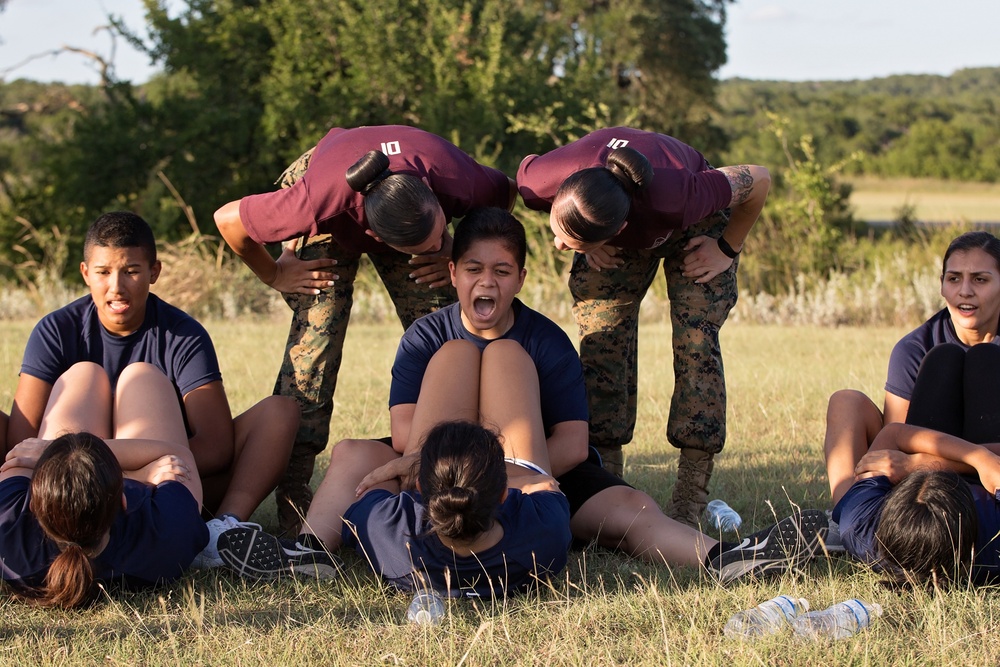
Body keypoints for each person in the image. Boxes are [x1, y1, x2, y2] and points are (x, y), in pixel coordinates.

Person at [216, 208, 826, 586]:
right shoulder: (427, 337)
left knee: (632, 510)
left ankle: (727, 556)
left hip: (530, 466)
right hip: (437, 464)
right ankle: (309, 553)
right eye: (474, 268)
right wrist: (457, 473)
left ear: (520, 279)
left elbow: (572, 443)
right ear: (452, 273)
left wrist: (504, 477)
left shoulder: (544, 341)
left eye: (502, 271)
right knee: (353, 453)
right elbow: (405, 438)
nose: (487, 281)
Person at [213, 125, 516, 532]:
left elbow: (506, 194)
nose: (438, 241)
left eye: (440, 227)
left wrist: (450, 248)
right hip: (329, 196)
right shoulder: (314, 202)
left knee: (447, 325)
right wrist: (274, 275)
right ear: (377, 239)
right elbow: (229, 220)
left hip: (406, 203)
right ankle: (294, 493)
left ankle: (464, 469)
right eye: (424, 245)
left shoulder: (455, 177)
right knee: (315, 341)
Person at [5, 211, 297, 569]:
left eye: (131, 271)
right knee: (85, 376)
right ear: (85, 273)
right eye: (103, 272)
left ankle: (223, 528)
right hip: (71, 485)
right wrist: (109, 473)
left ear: (154, 272)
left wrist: (121, 470)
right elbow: (22, 441)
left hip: (159, 478)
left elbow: (217, 447)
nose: (116, 286)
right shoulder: (55, 330)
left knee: (280, 412)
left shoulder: (182, 334)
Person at [516, 127, 771, 527]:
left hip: (695, 225)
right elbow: (522, 174)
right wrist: (588, 239)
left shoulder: (682, 193)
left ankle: (690, 497)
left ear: (619, 230)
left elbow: (759, 178)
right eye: (559, 233)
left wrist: (726, 247)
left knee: (696, 343)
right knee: (602, 339)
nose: (559, 247)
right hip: (604, 213)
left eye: (569, 242)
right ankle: (604, 482)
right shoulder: (543, 180)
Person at [0, 360, 208, 608]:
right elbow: (177, 457)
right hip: (125, 487)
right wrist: (136, 473)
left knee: (84, 373)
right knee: (142, 375)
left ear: (34, 504)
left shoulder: (8, 533)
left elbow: (19, 458)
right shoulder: (166, 538)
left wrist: (55, 450)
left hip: (105, 486)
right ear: (123, 500)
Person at [824, 231, 1000, 503]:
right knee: (846, 402)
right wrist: (972, 459)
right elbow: (895, 448)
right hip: (923, 483)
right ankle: (848, 515)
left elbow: (908, 461)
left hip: (990, 474)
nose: (965, 290)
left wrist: (925, 463)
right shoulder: (914, 348)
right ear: (941, 285)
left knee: (986, 360)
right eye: (954, 278)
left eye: (980, 279)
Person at [829, 342, 1000, 587]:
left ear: (892, 500)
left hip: (932, 453)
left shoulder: (863, 525)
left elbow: (893, 434)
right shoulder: (994, 541)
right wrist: (979, 459)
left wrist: (916, 463)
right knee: (986, 357)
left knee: (943, 357)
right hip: (988, 475)